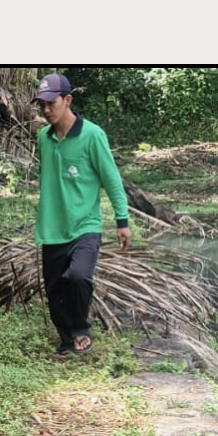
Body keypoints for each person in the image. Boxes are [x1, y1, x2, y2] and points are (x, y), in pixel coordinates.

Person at [31, 73, 131, 355]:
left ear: (68, 100)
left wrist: (121, 222)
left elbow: (111, 180)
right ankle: (67, 339)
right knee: (54, 292)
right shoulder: (43, 137)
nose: (46, 110)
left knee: (78, 277)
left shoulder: (92, 135)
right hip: (52, 227)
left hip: (85, 226)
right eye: (42, 105)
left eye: (51, 103)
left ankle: (81, 329)